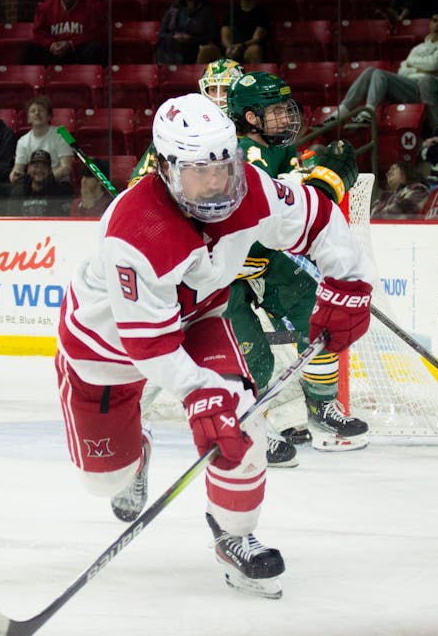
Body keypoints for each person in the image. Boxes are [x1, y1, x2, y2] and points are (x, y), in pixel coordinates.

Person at [55, 93, 374, 599]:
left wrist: (350, 282)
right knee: (104, 481)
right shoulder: (134, 233)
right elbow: (150, 345)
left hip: (199, 320)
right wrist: (194, 392)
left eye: (224, 167)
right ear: (164, 168)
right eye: (199, 171)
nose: (216, 184)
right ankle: (135, 458)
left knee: (241, 424)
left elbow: (319, 219)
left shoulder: (252, 191)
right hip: (107, 346)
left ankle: (235, 536)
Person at [225, 71, 371, 464]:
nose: (286, 118)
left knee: (315, 313)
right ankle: (252, 427)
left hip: (263, 260)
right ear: (251, 117)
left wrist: (315, 178)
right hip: (220, 275)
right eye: (275, 111)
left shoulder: (275, 149)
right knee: (253, 355)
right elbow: (265, 206)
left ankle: (322, 407)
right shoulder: (239, 152)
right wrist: (325, 182)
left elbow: (292, 198)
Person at [321, 8, 438, 130]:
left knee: (380, 74)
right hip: (407, 86)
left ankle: (369, 112)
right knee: (370, 71)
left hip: (427, 88)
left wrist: (413, 65)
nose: (437, 25)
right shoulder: (419, 47)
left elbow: (434, 64)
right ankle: (342, 111)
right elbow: (403, 70)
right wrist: (421, 68)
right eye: (435, 21)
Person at [129, 59, 245, 184]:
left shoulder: (252, 133)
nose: (218, 98)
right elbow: (139, 182)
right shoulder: (180, 128)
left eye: (225, 90)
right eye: (212, 89)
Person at [21, 0, 106, 66]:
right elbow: (38, 33)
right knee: (29, 49)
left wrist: (71, 44)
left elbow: (96, 33)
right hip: (54, 52)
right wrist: (51, 45)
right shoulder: (45, 8)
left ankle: (89, 79)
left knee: (95, 49)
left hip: (79, 52)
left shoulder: (93, 6)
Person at [155, 0, 220, 65]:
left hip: (195, 48)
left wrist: (191, 39)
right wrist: (174, 37)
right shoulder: (174, 9)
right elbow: (162, 33)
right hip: (173, 46)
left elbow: (212, 36)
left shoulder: (207, 12)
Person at [9, 95, 73, 185]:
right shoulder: (22, 141)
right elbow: (18, 169)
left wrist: (44, 180)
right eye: (32, 111)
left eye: (41, 110)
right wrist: (14, 176)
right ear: (28, 118)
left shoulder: (63, 134)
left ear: (49, 117)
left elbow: (66, 167)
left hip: (57, 183)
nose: (37, 113)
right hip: (33, 185)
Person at [219, 0, 270, 65]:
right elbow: (225, 35)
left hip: (248, 48)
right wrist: (229, 47)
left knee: (255, 50)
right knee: (207, 50)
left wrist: (240, 46)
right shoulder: (231, 11)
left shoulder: (262, 13)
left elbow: (256, 38)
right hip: (231, 49)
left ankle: (255, 78)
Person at [9, 148, 72, 216]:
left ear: (50, 170)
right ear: (28, 169)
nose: (39, 170)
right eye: (36, 166)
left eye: (44, 166)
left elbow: (58, 220)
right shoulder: (18, 191)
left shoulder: (60, 192)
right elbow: (12, 218)